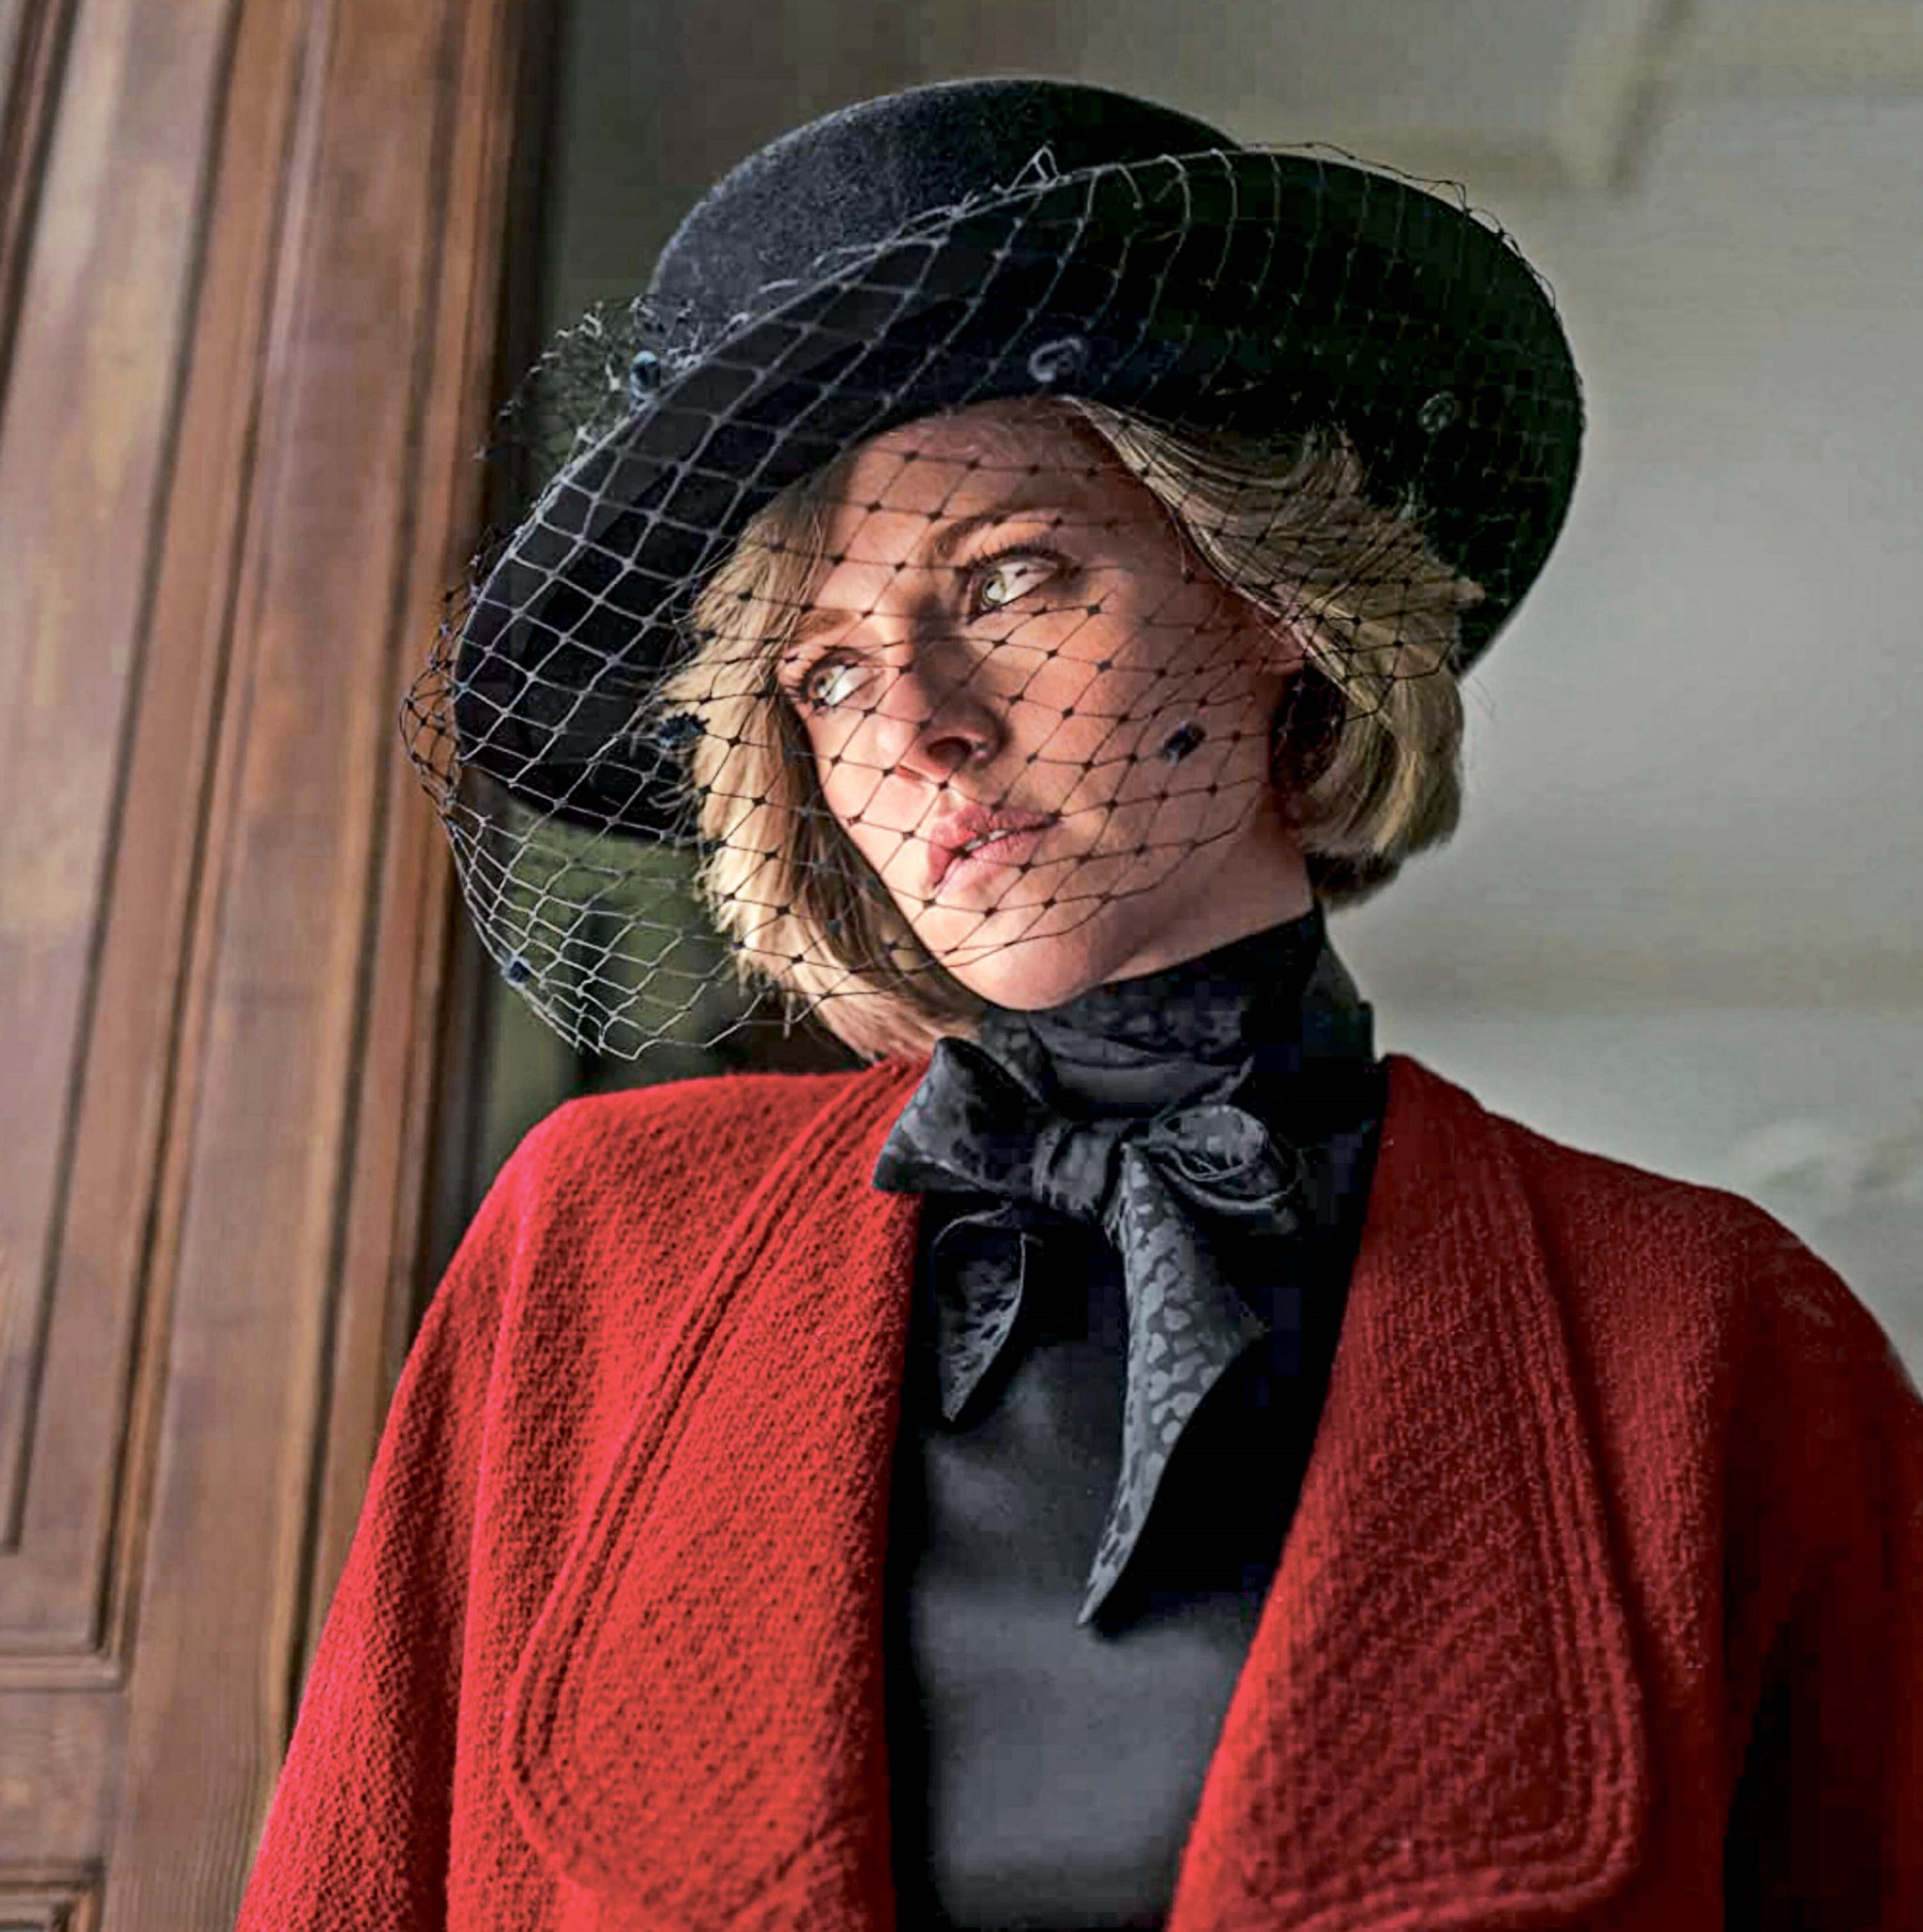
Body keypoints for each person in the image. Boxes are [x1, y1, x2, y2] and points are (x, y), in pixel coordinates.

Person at [236, 76, 1923, 1932]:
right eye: (821, 670)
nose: (918, 721)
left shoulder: (1711, 1337)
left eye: (1009, 577)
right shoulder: (599, 1248)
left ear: (1268, 591)